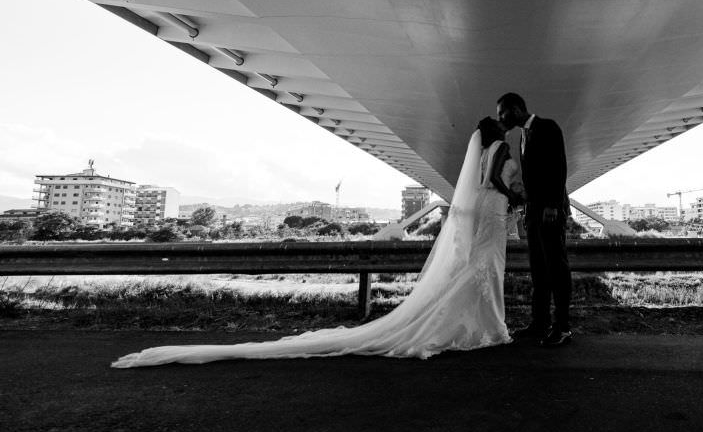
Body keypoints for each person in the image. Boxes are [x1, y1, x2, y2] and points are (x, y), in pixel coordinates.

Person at [111, 118, 520, 367]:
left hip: (481, 211)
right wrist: (519, 196)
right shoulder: (502, 147)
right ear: (497, 130)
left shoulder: (482, 152)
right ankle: (487, 325)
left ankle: (477, 324)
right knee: (485, 269)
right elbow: (501, 182)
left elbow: (482, 184)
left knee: (474, 269)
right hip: (495, 211)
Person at [496, 92, 573, 347]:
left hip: (550, 211)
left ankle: (562, 327)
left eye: (502, 113)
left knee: (557, 268)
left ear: (516, 109)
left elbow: (559, 167)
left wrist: (552, 205)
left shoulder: (547, 127)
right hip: (533, 211)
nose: (500, 119)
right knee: (539, 269)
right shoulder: (522, 137)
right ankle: (540, 323)